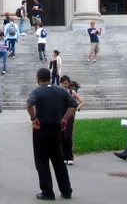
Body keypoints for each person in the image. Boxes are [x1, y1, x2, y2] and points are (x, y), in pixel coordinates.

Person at [27, 68, 78, 200]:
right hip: (56, 127)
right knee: (58, 160)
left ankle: (47, 191)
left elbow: (29, 104)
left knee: (42, 161)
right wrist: (65, 119)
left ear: (38, 78)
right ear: (49, 78)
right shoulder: (61, 90)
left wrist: (34, 119)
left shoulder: (37, 91)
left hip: (41, 128)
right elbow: (73, 104)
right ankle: (66, 190)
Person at [59, 75, 84, 166]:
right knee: (61, 137)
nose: (64, 85)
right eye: (62, 83)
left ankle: (69, 156)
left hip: (69, 117)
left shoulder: (72, 92)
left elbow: (82, 102)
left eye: (65, 83)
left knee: (67, 136)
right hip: (60, 116)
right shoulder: (59, 92)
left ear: (69, 84)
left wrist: (76, 109)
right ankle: (62, 156)